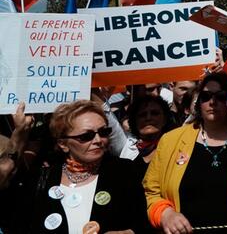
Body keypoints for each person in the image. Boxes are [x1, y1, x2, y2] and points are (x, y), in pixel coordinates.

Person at [143, 72, 227, 233]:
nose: (212, 102)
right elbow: (151, 191)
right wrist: (166, 214)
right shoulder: (170, 141)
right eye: (206, 96)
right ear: (198, 101)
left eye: (220, 97)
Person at [21, 100, 147, 233]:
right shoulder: (40, 178)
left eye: (104, 132)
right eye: (86, 136)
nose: (98, 140)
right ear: (63, 144)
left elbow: (143, 225)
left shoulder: (124, 172)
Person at [108, 95, 177, 180]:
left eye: (154, 113)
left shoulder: (175, 148)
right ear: (134, 121)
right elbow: (106, 113)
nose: (148, 118)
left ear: (164, 119)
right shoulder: (128, 147)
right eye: (142, 115)